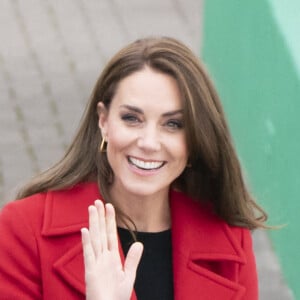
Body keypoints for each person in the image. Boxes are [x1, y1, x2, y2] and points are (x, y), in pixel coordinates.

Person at [0, 37, 267, 300]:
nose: (149, 143)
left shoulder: (230, 244)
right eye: (132, 119)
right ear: (103, 121)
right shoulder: (25, 230)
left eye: (173, 124)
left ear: (195, 139)